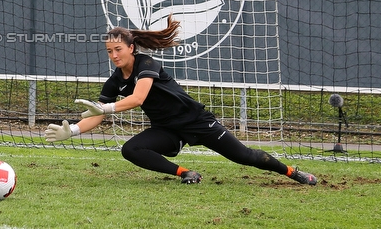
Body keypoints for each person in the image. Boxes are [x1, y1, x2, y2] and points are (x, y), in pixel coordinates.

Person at [44, 16, 318, 186]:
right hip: (166, 130)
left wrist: (107, 107)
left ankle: (293, 172)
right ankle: (187, 173)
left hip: (195, 122)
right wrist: (75, 130)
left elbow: (138, 98)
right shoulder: (115, 79)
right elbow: (97, 113)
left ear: (131, 48)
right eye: (109, 51)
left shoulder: (146, 63)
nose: (114, 55)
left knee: (245, 157)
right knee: (131, 150)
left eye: (118, 49)